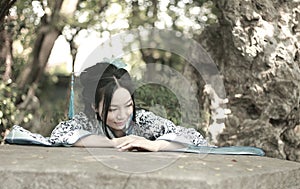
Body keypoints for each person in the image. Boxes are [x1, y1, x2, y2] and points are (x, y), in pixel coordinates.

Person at [6, 61, 209, 151]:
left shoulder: (143, 121)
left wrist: (156, 145)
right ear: (95, 106)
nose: (122, 115)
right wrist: (112, 143)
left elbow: (193, 137)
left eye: (128, 105)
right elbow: (60, 135)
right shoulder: (87, 122)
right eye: (112, 109)